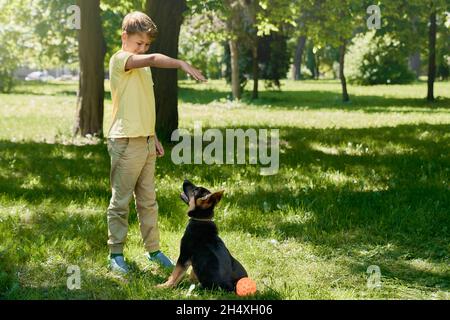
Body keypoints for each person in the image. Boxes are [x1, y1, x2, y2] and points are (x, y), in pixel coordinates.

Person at [107, 11, 206, 274]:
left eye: (147, 45)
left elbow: (142, 105)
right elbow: (150, 59)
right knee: (121, 201)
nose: (143, 49)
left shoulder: (143, 68)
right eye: (138, 43)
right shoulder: (121, 60)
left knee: (148, 201)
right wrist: (180, 63)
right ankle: (115, 253)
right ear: (124, 37)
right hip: (125, 141)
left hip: (146, 141)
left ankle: (153, 250)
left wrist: (153, 136)